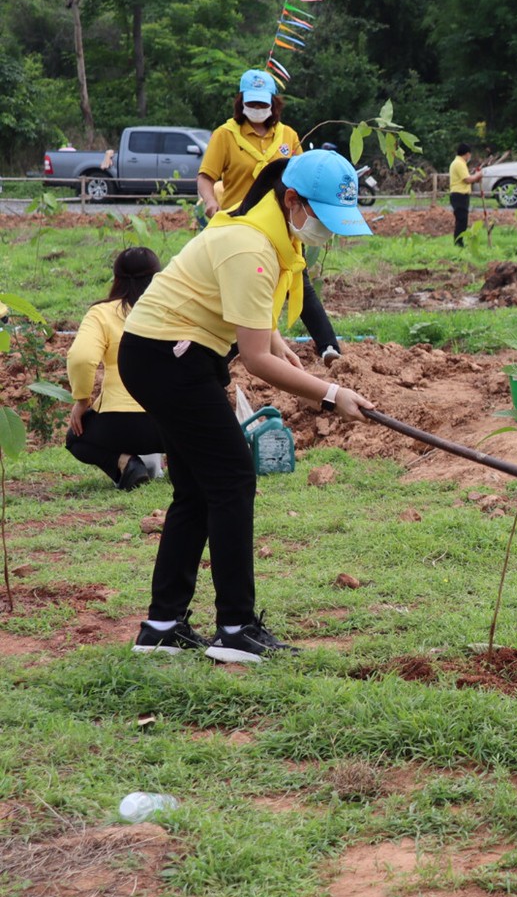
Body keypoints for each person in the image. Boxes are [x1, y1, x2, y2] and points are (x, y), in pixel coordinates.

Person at [119, 149, 375, 662]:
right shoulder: (251, 247)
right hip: (170, 359)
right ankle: (235, 630)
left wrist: (276, 340)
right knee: (233, 478)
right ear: (292, 200)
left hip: (165, 354)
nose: (327, 231)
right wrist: (330, 395)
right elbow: (255, 361)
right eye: (323, 216)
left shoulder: (265, 232)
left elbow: (245, 317)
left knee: (197, 489)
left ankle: (162, 627)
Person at [198, 69, 342, 366]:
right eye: (252, 103)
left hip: (281, 224)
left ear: (274, 104)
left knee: (298, 281)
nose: (257, 109)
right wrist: (211, 203)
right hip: (241, 226)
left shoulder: (288, 136)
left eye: (263, 104)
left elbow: (303, 178)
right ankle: (229, 356)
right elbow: (205, 177)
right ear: (241, 103)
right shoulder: (225, 135)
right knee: (241, 290)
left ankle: (329, 347)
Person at [65, 247, 165, 490]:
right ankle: (184, 461)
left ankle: (126, 463)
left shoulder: (102, 313)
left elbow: (81, 357)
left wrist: (82, 401)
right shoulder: (174, 310)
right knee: (189, 436)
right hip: (171, 421)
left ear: (116, 277)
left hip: (118, 425)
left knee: (75, 438)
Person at [449, 143, 482, 247]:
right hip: (459, 195)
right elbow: (467, 179)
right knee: (461, 221)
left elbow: (468, 179)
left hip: (461, 195)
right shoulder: (459, 163)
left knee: (462, 220)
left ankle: (459, 242)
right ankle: (458, 243)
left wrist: (476, 178)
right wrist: (478, 175)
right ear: (467, 154)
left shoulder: (459, 163)